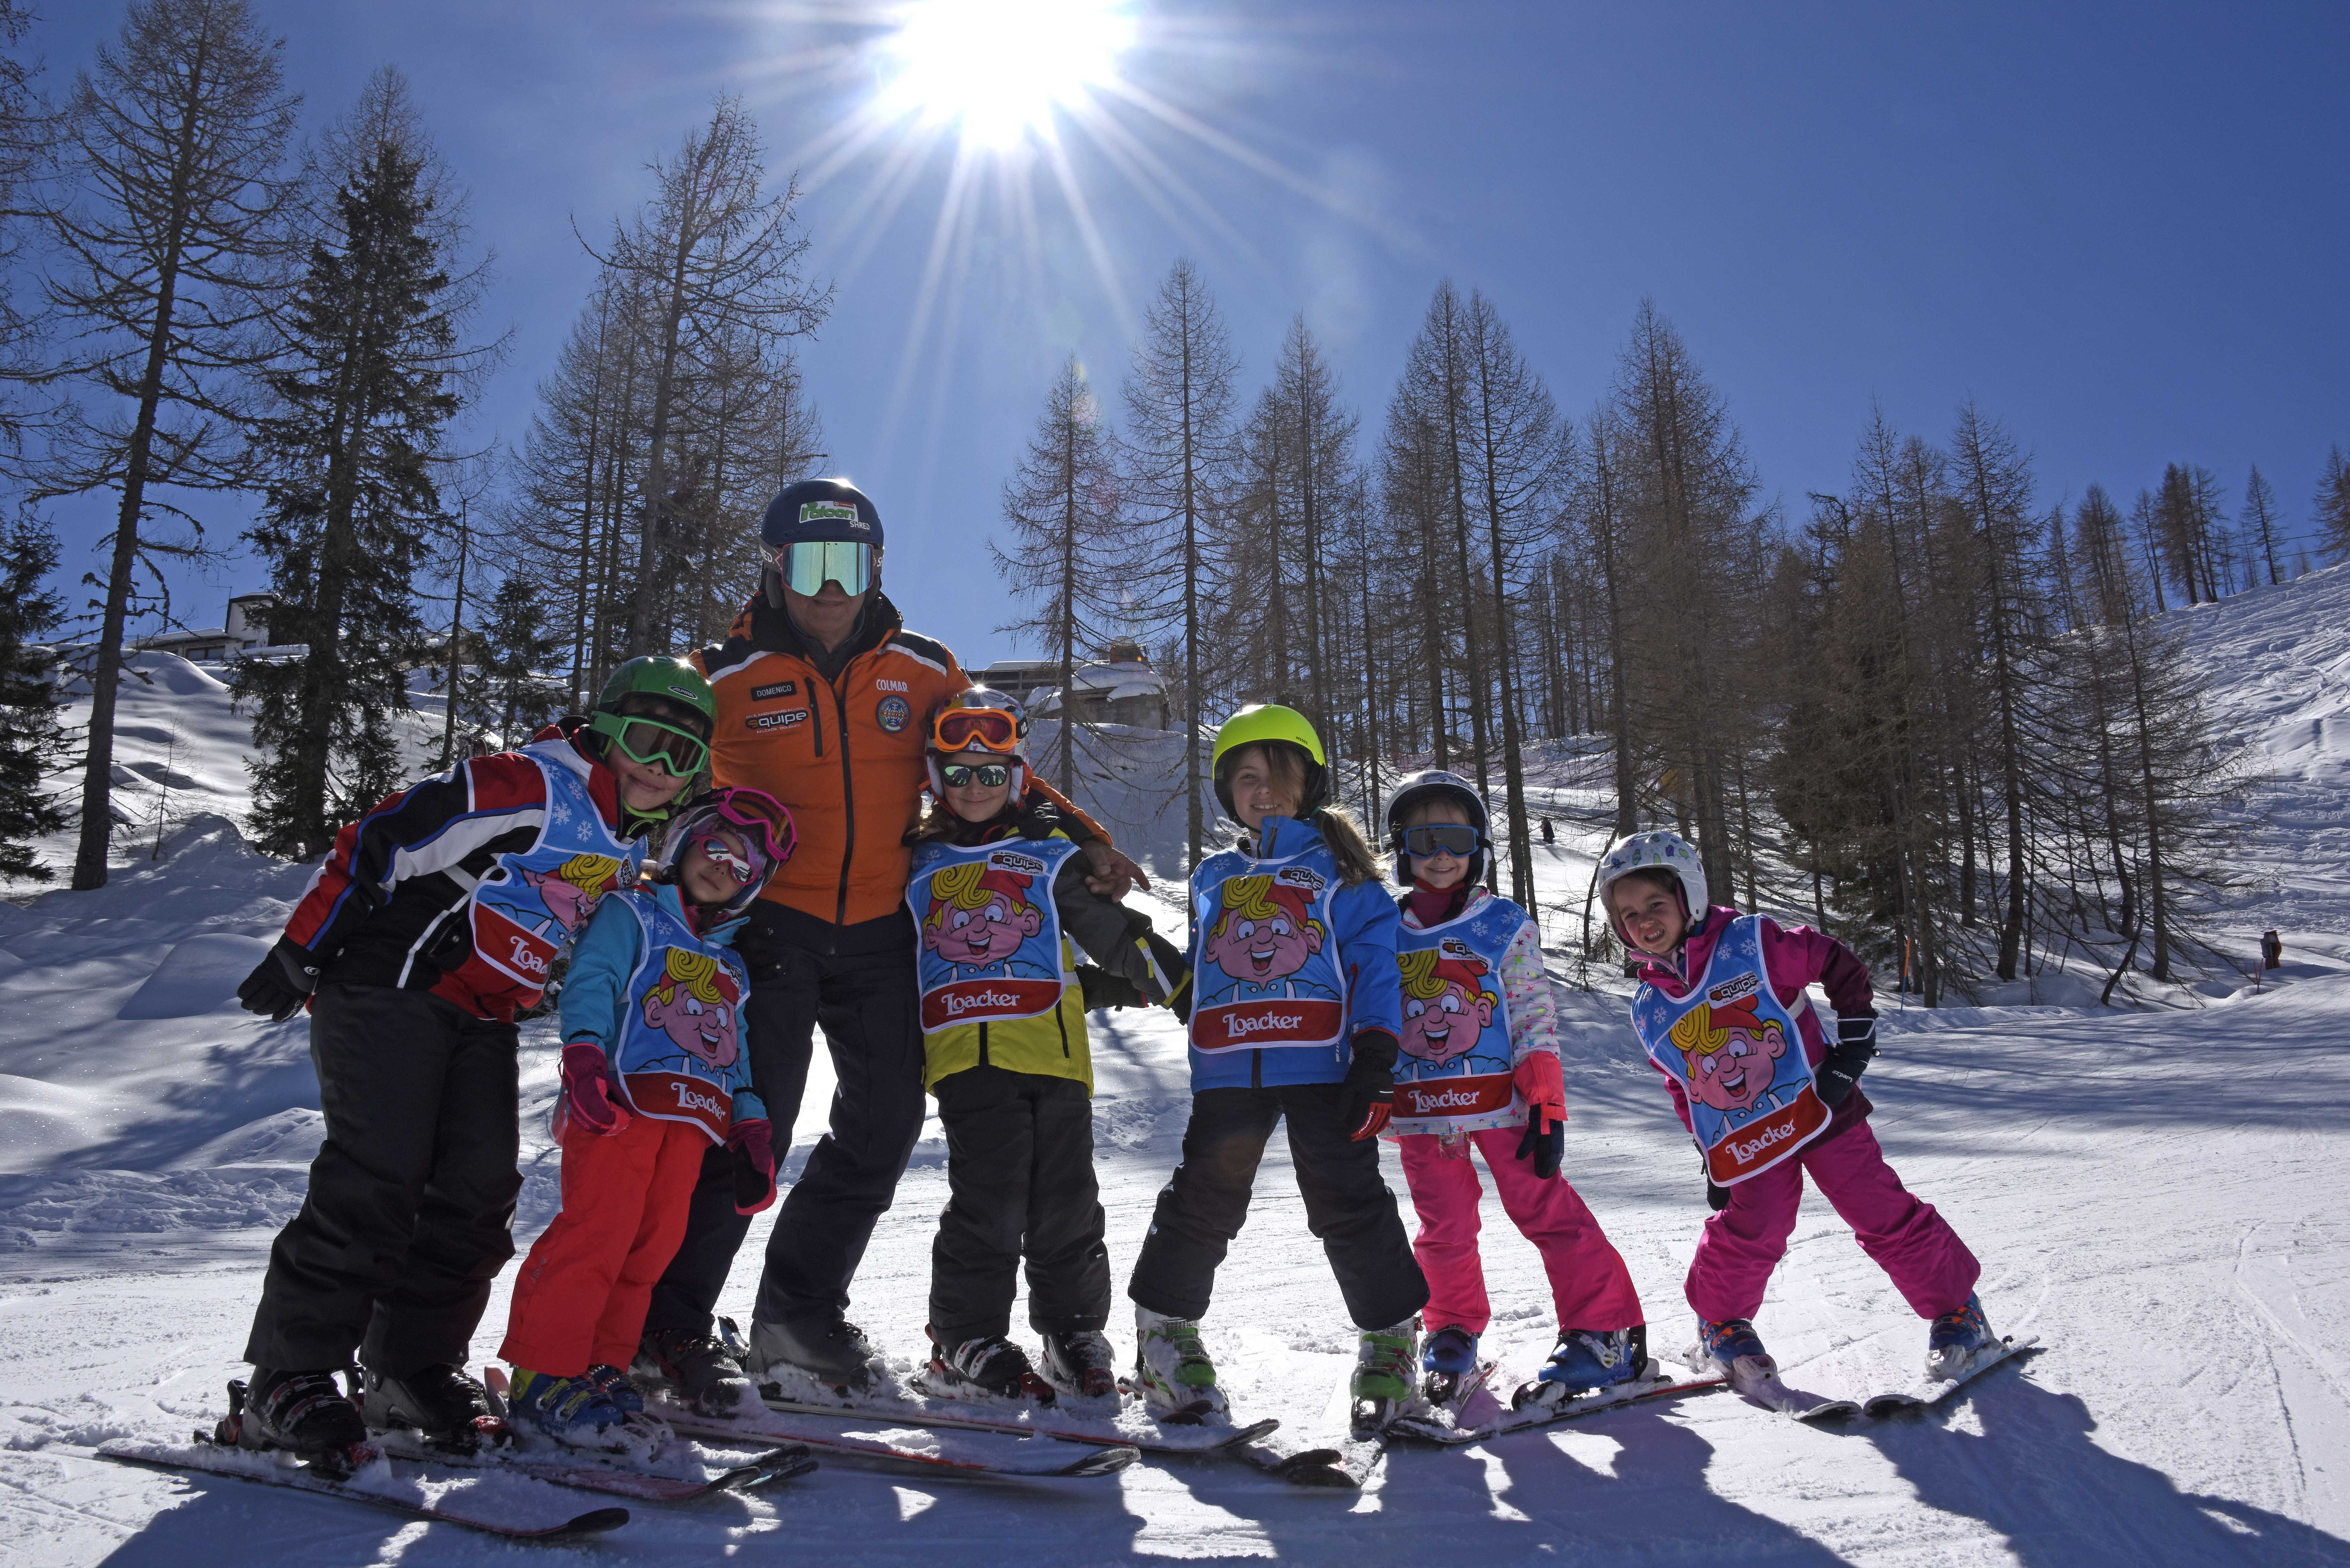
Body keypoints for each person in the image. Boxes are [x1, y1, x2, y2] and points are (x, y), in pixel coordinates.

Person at [641, 478, 1145, 1402]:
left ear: (876, 567)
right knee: (742, 1131)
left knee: (880, 1131)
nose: (829, 587)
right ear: (774, 568)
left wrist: (1087, 842)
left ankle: (797, 1317)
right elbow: (644, 762)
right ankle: (665, 1328)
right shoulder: (720, 673)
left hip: (884, 932)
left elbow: (990, 763)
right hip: (769, 933)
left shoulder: (923, 668)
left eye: (849, 564)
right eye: (808, 563)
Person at [228, 657, 714, 1462]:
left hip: (481, 1013)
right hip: (394, 981)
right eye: (648, 741)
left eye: (683, 758)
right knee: (379, 1171)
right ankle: (291, 1371)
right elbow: (385, 835)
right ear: (604, 730)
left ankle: (407, 1365)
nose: (661, 770)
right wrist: (302, 946)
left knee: (479, 1186)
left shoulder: (624, 842)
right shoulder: (525, 782)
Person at [1126, 704, 1428, 1435]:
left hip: (1322, 1062)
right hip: (1229, 1068)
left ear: (1308, 782)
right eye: (1245, 778)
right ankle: (1164, 1335)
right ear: (1226, 791)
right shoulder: (1212, 877)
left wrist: (1377, 1054)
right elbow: (1208, 968)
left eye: (1278, 776)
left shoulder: (1342, 870)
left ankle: (1389, 1338)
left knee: (1346, 1197)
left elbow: (1375, 965)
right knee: (1205, 1196)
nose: (1262, 791)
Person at [1596, 831, 1994, 1383]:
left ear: (1688, 895)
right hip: (1749, 1139)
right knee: (1754, 1226)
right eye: (1629, 915)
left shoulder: (1751, 943)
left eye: (1655, 905)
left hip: (1821, 1107)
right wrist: (1709, 1152)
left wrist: (1853, 1044)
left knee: (1878, 1209)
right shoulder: (1651, 1004)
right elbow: (1683, 1085)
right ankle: (1721, 1323)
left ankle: (1958, 1312)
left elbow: (1835, 961)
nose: (1644, 922)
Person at [904, 690, 1188, 1407]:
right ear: (935, 780)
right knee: (990, 1198)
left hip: (1055, 1057)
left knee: (1066, 1203)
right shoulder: (910, 863)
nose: (975, 787)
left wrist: (1182, 985)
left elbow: (1108, 932)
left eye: (991, 773)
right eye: (959, 774)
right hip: (967, 1058)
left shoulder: (1046, 856)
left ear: (1018, 778)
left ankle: (1072, 1331)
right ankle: (964, 1334)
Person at [500, 789, 795, 1447]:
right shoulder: (632, 911)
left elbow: (735, 1046)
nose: (725, 867)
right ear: (687, 839)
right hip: (619, 1107)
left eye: (743, 866)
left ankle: (601, 1363)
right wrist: (583, 1057)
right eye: (717, 847)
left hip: (689, 1123)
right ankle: (542, 1370)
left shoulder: (728, 962)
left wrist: (749, 1123)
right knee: (596, 1234)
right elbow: (593, 979)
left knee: (651, 1246)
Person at [1381, 771, 1646, 1412]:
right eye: (1425, 840)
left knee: (1544, 1207)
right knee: (1442, 1225)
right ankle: (1451, 1324)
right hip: (1424, 1111)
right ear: (1401, 848)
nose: (1442, 855)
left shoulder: (1501, 922)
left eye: (1457, 838)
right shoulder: (1381, 928)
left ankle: (1604, 1329)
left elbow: (1531, 1013)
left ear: (1477, 846)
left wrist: (1546, 1099)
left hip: (1503, 1103)